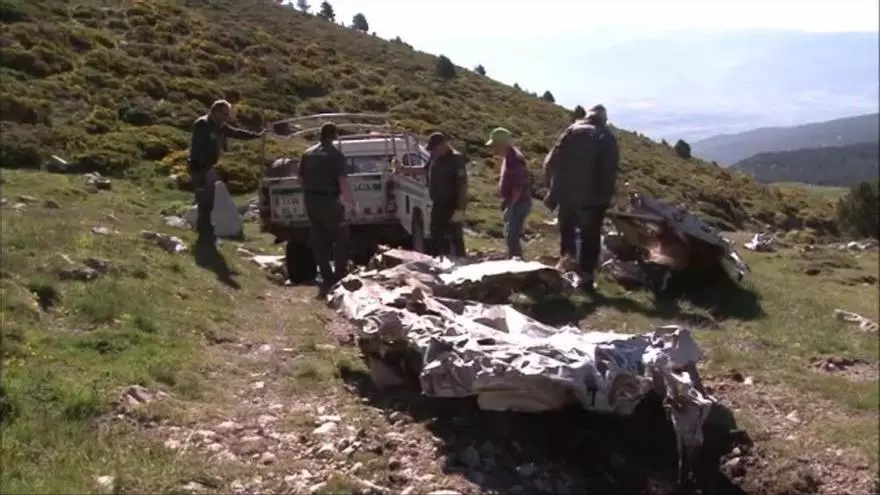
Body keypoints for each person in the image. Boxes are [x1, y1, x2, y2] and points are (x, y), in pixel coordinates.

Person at [542, 104, 619, 292]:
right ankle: (585, 279)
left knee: (567, 233)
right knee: (589, 237)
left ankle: (566, 271)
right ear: (603, 119)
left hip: (567, 196)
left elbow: (550, 162)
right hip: (592, 199)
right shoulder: (605, 137)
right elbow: (608, 172)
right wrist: (606, 197)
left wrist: (553, 190)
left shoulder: (570, 132)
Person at [187, 99, 264, 245]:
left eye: (227, 114)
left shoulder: (219, 126)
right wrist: (203, 170)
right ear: (214, 111)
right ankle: (204, 232)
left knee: (209, 199)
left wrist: (257, 135)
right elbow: (197, 149)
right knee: (204, 200)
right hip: (199, 167)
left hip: (208, 167)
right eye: (224, 113)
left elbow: (237, 133)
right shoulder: (202, 124)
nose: (226, 117)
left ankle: (204, 229)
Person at [298, 122, 357, 294]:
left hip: (311, 200)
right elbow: (343, 181)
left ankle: (326, 276)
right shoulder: (335, 155)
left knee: (319, 239)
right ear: (335, 136)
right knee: (340, 236)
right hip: (329, 200)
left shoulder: (307, 154)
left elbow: (300, 179)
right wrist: (350, 203)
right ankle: (339, 275)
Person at [486, 127, 532, 259]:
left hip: (519, 202)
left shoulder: (514, 159)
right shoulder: (508, 157)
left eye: (495, 145)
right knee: (510, 234)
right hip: (515, 201)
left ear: (502, 143)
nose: (493, 148)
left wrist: (510, 207)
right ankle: (514, 259)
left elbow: (518, 187)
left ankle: (517, 262)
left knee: (512, 235)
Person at [424, 132, 468, 257]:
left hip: (452, 204)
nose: (434, 151)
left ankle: (461, 260)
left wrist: (460, 208)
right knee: (436, 234)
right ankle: (440, 260)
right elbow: (424, 169)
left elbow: (462, 184)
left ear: (443, 144)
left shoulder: (456, 159)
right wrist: (402, 169)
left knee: (455, 235)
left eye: (436, 148)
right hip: (438, 203)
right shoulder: (434, 158)